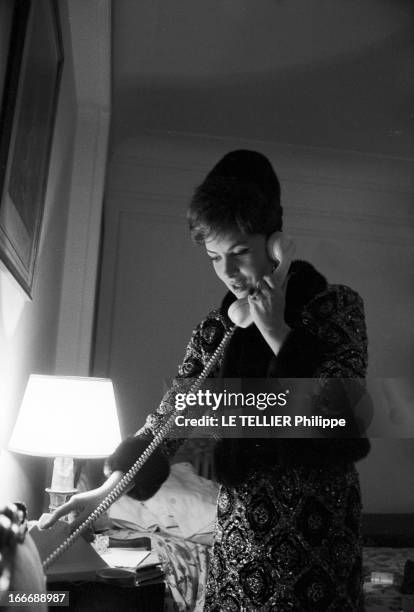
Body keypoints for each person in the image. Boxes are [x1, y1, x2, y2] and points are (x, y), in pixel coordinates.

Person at [44, 150, 370, 611]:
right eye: (215, 257)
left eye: (241, 253)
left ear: (276, 244)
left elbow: (343, 412)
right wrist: (101, 492)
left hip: (320, 524)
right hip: (242, 529)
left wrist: (278, 331)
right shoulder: (216, 331)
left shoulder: (334, 307)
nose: (229, 273)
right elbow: (169, 420)